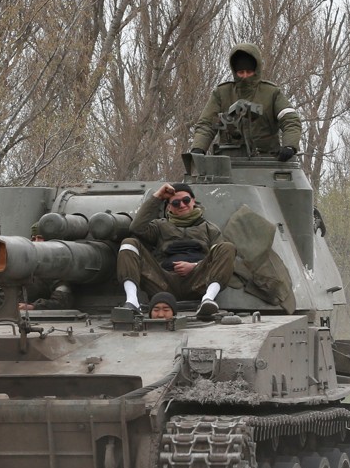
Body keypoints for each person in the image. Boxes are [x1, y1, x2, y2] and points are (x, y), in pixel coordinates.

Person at [117, 183, 236, 319]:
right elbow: (137, 228)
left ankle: (208, 299)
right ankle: (132, 301)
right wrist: (158, 197)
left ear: (193, 200)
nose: (182, 205)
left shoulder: (210, 229)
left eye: (186, 200)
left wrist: (194, 266)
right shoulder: (159, 226)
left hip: (197, 281)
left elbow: (219, 257)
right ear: (169, 207)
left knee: (227, 247)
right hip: (163, 282)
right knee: (129, 244)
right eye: (175, 203)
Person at [190, 43, 302, 161]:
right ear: (234, 71)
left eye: (249, 72)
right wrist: (198, 148)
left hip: (267, 160)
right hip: (228, 162)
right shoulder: (222, 93)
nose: (245, 76)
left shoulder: (271, 93)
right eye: (241, 72)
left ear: (256, 70)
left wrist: (290, 145)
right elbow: (206, 124)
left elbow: (290, 120)